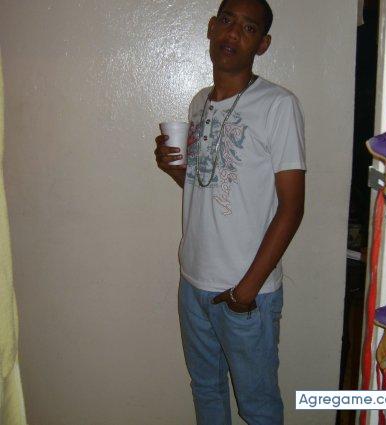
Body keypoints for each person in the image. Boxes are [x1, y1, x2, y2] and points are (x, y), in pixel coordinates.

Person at [155, 0, 306, 423]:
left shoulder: (278, 105)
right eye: (226, 21)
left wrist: (246, 292)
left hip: (245, 291)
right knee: (206, 391)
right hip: (193, 280)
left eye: (248, 27)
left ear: (263, 44)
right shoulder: (199, 103)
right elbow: (208, 187)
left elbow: (292, 207)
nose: (233, 33)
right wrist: (176, 170)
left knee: (257, 407)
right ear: (211, 27)